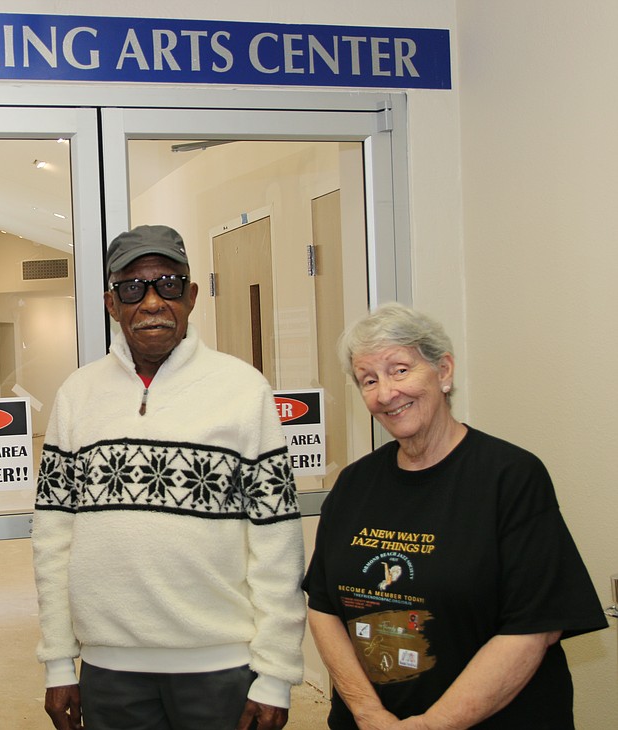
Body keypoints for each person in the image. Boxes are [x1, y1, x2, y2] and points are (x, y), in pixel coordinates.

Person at [32, 224, 306, 730]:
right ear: (112, 304)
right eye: (133, 287)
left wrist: (276, 671)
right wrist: (56, 661)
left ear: (192, 295)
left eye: (168, 284)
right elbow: (53, 540)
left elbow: (277, 544)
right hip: (110, 671)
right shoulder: (77, 394)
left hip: (221, 669)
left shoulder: (243, 390)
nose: (152, 301)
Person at [302, 302, 607, 729]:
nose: (386, 393)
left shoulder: (511, 478)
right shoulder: (354, 484)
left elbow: (535, 627)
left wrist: (431, 725)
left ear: (443, 371)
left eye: (400, 370)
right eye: (369, 380)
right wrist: (368, 713)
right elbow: (323, 606)